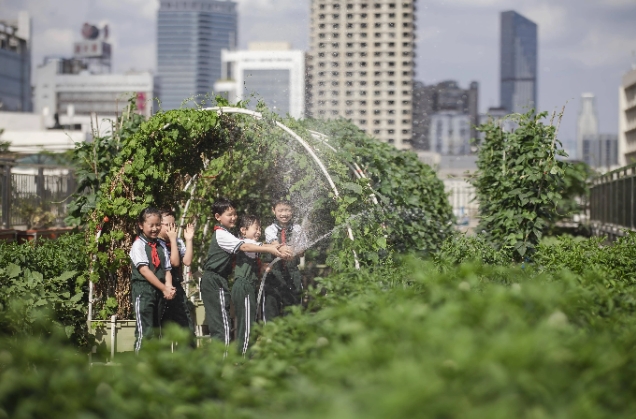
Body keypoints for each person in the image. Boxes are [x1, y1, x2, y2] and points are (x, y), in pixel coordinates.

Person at [200, 198, 292, 348]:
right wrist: (272, 248)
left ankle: (233, 356)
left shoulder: (229, 235)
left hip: (224, 281)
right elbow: (245, 246)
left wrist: (264, 264)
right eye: (229, 215)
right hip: (222, 281)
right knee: (230, 328)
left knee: (232, 325)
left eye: (235, 214)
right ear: (218, 217)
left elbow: (250, 249)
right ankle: (239, 357)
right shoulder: (222, 234)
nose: (233, 217)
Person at [129, 207, 175, 353]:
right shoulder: (138, 245)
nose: (155, 229)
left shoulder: (161, 245)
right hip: (144, 291)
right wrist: (164, 288)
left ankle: (154, 363)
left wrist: (168, 286)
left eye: (158, 225)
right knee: (145, 332)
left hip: (159, 292)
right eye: (151, 225)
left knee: (157, 331)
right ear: (141, 225)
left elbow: (167, 269)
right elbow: (145, 271)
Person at [262, 199, 305, 322]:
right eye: (280, 210)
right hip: (274, 274)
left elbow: (302, 252)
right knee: (271, 308)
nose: (284, 214)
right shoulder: (270, 229)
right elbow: (276, 245)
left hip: (293, 273)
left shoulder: (297, 229)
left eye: (287, 210)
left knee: (294, 310)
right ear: (273, 211)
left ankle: (292, 332)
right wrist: (286, 250)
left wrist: (294, 251)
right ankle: (270, 333)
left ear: (292, 211)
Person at [158, 209, 196, 344]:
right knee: (162, 328)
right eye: (167, 225)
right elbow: (174, 262)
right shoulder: (157, 243)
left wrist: (189, 240)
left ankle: (189, 354)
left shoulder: (177, 241)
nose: (171, 228)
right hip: (161, 288)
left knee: (186, 325)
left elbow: (187, 261)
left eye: (173, 224)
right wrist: (173, 240)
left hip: (176, 288)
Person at [231, 215, 264, 356]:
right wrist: (275, 248)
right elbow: (258, 246)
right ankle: (243, 357)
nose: (259, 232)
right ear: (243, 230)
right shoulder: (245, 243)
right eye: (256, 228)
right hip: (244, 285)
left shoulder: (252, 246)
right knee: (246, 324)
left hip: (247, 286)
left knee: (247, 322)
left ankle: (244, 354)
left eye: (260, 229)